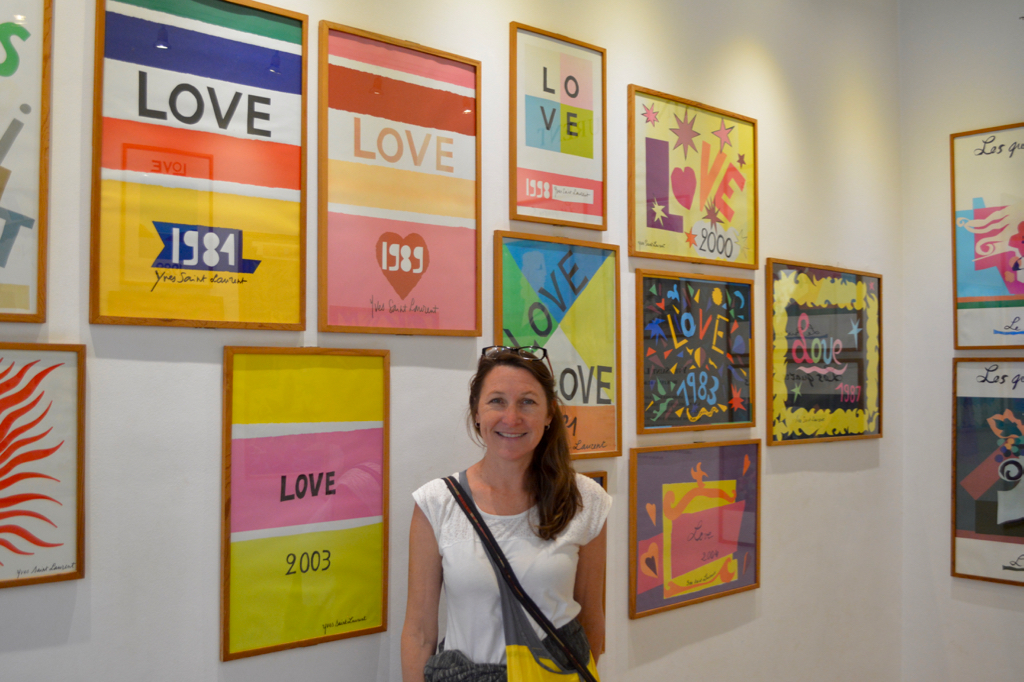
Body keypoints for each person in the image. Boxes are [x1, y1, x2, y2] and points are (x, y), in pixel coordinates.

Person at [401, 346, 611, 682]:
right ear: (477, 412)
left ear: (549, 413)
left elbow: (591, 620)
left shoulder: (584, 499)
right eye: (497, 401)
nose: (511, 418)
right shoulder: (436, 503)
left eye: (527, 402)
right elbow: (419, 633)